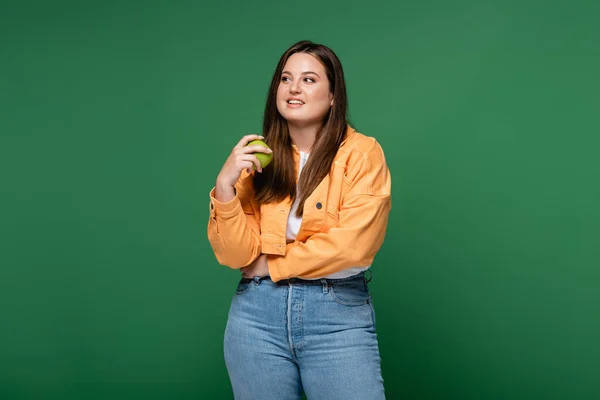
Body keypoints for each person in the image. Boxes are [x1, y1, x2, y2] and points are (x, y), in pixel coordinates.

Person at [207, 40, 391, 400]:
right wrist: (224, 186)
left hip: (336, 315)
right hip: (256, 317)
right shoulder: (258, 158)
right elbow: (235, 256)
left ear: (334, 95)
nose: (293, 88)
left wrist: (271, 266)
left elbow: (353, 247)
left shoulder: (362, 153)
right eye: (286, 78)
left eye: (308, 79)